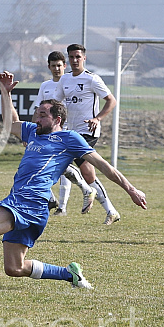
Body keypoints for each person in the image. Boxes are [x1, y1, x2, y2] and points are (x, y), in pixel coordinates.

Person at [0, 71, 147, 292]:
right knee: (14, 268)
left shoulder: (69, 139)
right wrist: (6, 93)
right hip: (29, 203)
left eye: (43, 115)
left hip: (30, 200)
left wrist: (131, 190)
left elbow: (105, 167)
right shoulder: (33, 132)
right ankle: (69, 274)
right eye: (36, 113)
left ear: (57, 119)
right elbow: (9, 124)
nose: (36, 118)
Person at [53, 44, 121, 225]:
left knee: (60, 162)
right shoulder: (64, 80)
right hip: (70, 131)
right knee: (88, 174)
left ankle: (82, 191)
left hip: (87, 131)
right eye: (72, 57)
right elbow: (56, 103)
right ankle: (111, 210)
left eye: (78, 57)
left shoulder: (92, 79)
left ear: (84, 58)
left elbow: (111, 100)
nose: (74, 60)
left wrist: (97, 118)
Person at [37, 50, 96, 216]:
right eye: (53, 66)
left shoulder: (72, 82)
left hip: (68, 131)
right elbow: (38, 109)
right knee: (53, 166)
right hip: (49, 134)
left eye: (59, 65)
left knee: (63, 166)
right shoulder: (45, 86)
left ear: (65, 66)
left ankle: (62, 206)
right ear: (48, 67)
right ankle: (58, 200)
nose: (56, 69)